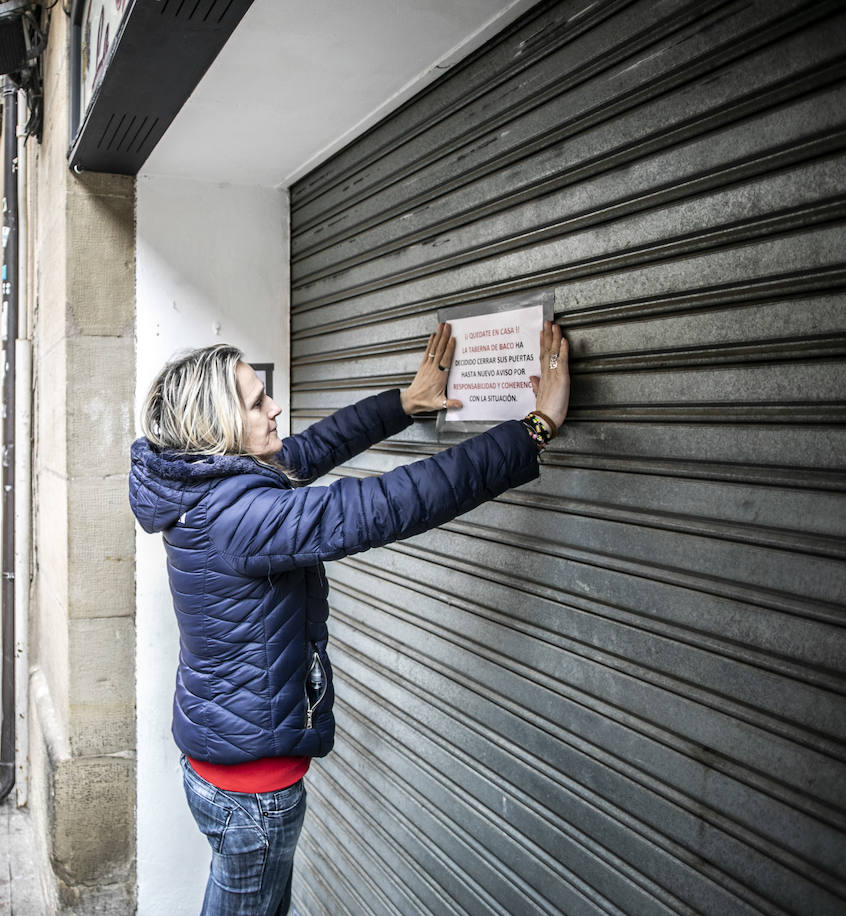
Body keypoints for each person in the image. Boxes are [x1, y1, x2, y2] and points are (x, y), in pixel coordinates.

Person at [129, 322, 570, 916]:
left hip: (220, 764)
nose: (275, 406)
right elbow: (382, 505)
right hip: (251, 791)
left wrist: (403, 405)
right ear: (219, 428)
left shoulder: (200, 486)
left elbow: (307, 452)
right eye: (257, 402)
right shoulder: (241, 516)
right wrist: (532, 431)